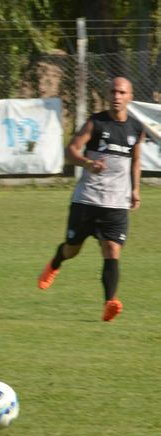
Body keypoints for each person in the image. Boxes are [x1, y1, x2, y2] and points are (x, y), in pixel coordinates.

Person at [38, 76, 144, 322]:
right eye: (113, 92)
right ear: (108, 95)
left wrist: (136, 189)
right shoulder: (95, 124)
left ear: (130, 96)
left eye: (121, 92)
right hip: (87, 200)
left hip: (116, 204)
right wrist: (87, 163)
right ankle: (56, 262)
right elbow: (70, 151)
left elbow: (136, 160)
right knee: (72, 250)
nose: (116, 96)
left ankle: (110, 302)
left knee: (112, 250)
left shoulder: (136, 129)